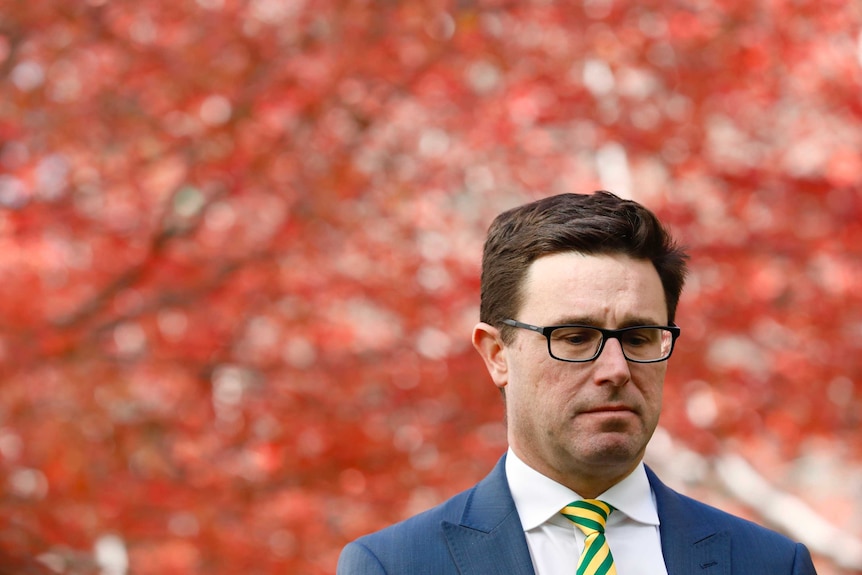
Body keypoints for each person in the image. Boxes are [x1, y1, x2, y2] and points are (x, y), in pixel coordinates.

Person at [337, 191, 817, 574]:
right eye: (574, 337)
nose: (616, 369)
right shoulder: (395, 565)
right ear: (497, 355)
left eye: (640, 336)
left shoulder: (770, 563)